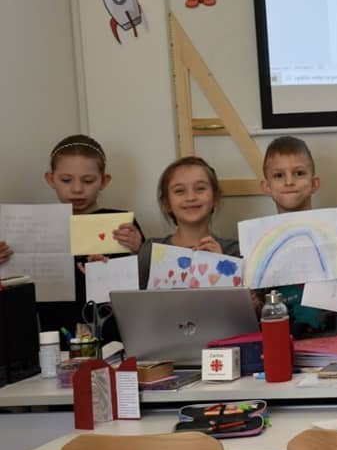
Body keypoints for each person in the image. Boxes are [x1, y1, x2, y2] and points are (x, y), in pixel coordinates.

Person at [0, 135, 143, 342]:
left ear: (104, 181)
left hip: (113, 336)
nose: (77, 189)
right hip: (52, 334)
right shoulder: (33, 226)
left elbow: (145, 283)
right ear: (51, 179)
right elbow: (16, 289)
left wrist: (139, 248)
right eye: (66, 180)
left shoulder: (121, 225)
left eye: (88, 180)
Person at [258, 136, 337, 337]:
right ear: (266, 187)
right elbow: (257, 313)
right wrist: (248, 299)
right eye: (279, 175)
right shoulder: (257, 244)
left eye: (299, 173)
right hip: (283, 344)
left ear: (314, 183)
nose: (289, 182)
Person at [137, 156, 240, 287]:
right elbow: (134, 298)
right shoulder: (150, 251)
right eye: (179, 191)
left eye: (200, 188)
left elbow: (245, 299)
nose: (190, 197)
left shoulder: (234, 252)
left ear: (216, 197)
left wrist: (221, 265)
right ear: (166, 203)